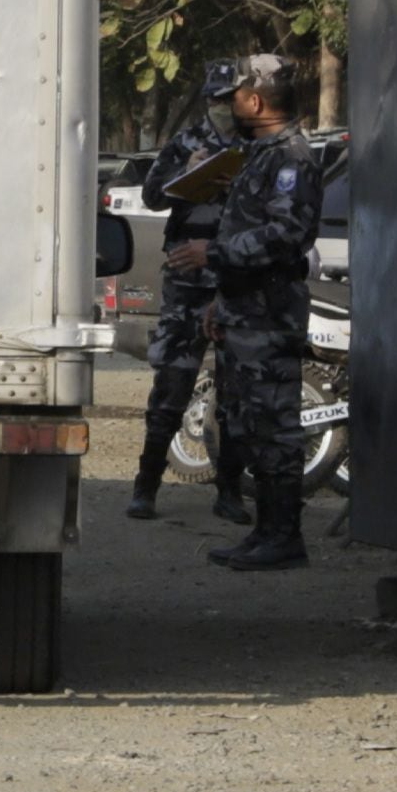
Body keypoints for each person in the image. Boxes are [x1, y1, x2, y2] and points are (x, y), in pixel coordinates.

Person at [172, 54, 322, 572]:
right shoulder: (260, 155)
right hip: (242, 311)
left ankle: (284, 535)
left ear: (255, 101)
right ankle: (264, 532)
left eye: (234, 97)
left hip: (270, 316)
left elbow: (287, 236)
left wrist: (211, 256)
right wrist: (220, 296)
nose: (227, 107)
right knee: (249, 425)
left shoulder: (292, 158)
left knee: (276, 427)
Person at [126, 59, 248, 522]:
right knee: (172, 387)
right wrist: (188, 173)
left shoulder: (255, 145)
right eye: (213, 100)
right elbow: (153, 195)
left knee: (235, 395)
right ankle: (145, 488)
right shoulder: (186, 141)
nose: (220, 108)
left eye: (226, 99)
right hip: (186, 285)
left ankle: (230, 492)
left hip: (235, 281)